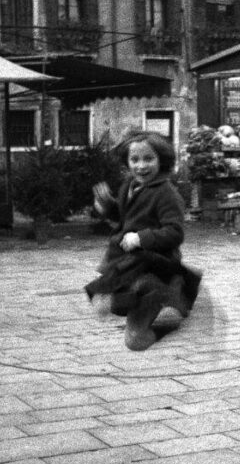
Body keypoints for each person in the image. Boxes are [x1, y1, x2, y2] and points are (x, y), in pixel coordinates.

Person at [85, 131, 201, 351]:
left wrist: (141, 238)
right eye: (134, 160)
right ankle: (167, 304)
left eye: (148, 159)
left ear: (162, 160)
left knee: (114, 289)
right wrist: (106, 206)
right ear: (127, 162)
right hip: (128, 256)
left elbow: (175, 232)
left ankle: (174, 294)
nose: (141, 166)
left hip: (153, 260)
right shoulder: (129, 185)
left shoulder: (166, 194)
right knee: (134, 337)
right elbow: (124, 218)